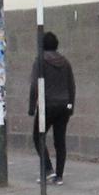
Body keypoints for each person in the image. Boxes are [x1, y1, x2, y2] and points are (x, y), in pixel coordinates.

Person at [28, 31, 75, 186]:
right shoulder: (65, 62)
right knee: (59, 141)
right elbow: (71, 85)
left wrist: (31, 106)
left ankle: (48, 170)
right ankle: (59, 176)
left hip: (46, 106)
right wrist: (71, 106)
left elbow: (35, 85)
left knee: (38, 136)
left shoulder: (40, 61)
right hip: (63, 106)